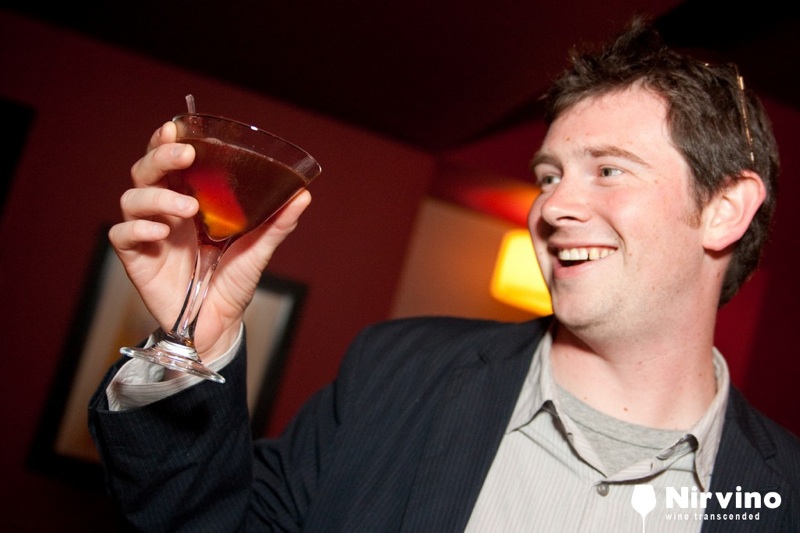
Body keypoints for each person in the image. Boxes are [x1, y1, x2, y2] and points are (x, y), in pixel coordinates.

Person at [89, 18, 800, 532]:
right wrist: (200, 338)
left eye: (609, 170)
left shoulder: (784, 495)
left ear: (724, 210)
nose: (553, 206)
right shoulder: (395, 373)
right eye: (549, 175)